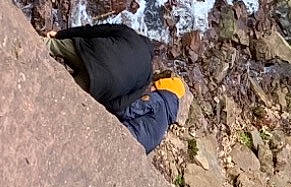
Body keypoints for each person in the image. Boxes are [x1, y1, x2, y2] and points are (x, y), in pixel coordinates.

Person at [48, 22, 188, 154]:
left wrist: (61, 34)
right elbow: (122, 105)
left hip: (89, 53)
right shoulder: (163, 115)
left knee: (58, 46)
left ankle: (45, 43)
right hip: (101, 85)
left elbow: (93, 30)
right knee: (68, 93)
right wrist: (103, 99)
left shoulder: (129, 33)